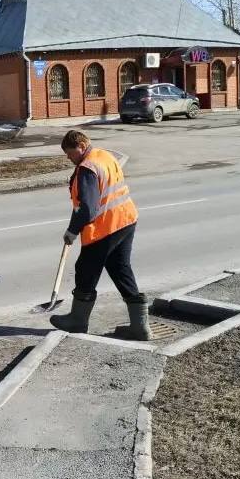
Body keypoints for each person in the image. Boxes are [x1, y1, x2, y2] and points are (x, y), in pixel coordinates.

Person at [49, 130, 151, 340]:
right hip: (126, 220)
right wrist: (73, 226)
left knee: (86, 270)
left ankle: (77, 321)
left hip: (105, 228)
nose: (69, 158)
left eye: (71, 153)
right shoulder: (104, 156)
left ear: (82, 145)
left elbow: (87, 209)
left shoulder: (87, 169)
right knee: (120, 268)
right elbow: (83, 204)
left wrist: (72, 231)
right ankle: (140, 327)